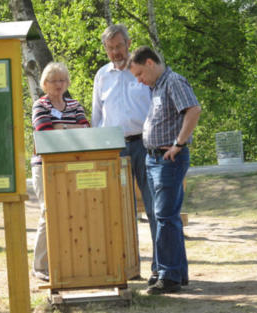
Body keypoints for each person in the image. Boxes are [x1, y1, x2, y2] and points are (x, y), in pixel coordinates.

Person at [128, 46, 201, 294]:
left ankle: (168, 276)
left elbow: (193, 110)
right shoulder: (157, 86)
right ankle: (175, 272)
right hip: (154, 159)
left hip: (168, 159)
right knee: (167, 217)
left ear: (150, 63)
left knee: (164, 216)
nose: (139, 80)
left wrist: (178, 144)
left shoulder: (173, 81)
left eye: (139, 74)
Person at [91, 24, 157, 283]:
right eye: (110, 48)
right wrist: (96, 149)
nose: (116, 52)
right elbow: (97, 116)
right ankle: (127, 267)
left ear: (129, 44)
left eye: (119, 46)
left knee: (153, 207)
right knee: (119, 210)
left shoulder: (142, 71)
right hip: (113, 149)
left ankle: (158, 267)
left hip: (144, 144)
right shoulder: (101, 76)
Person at [31, 62, 90, 281]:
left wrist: (62, 128)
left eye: (63, 80)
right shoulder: (40, 105)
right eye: (55, 80)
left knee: (72, 212)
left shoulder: (74, 104)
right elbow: (46, 132)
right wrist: (70, 128)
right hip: (44, 166)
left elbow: (86, 129)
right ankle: (40, 266)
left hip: (72, 166)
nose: (59, 84)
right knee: (49, 213)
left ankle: (67, 261)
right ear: (45, 83)